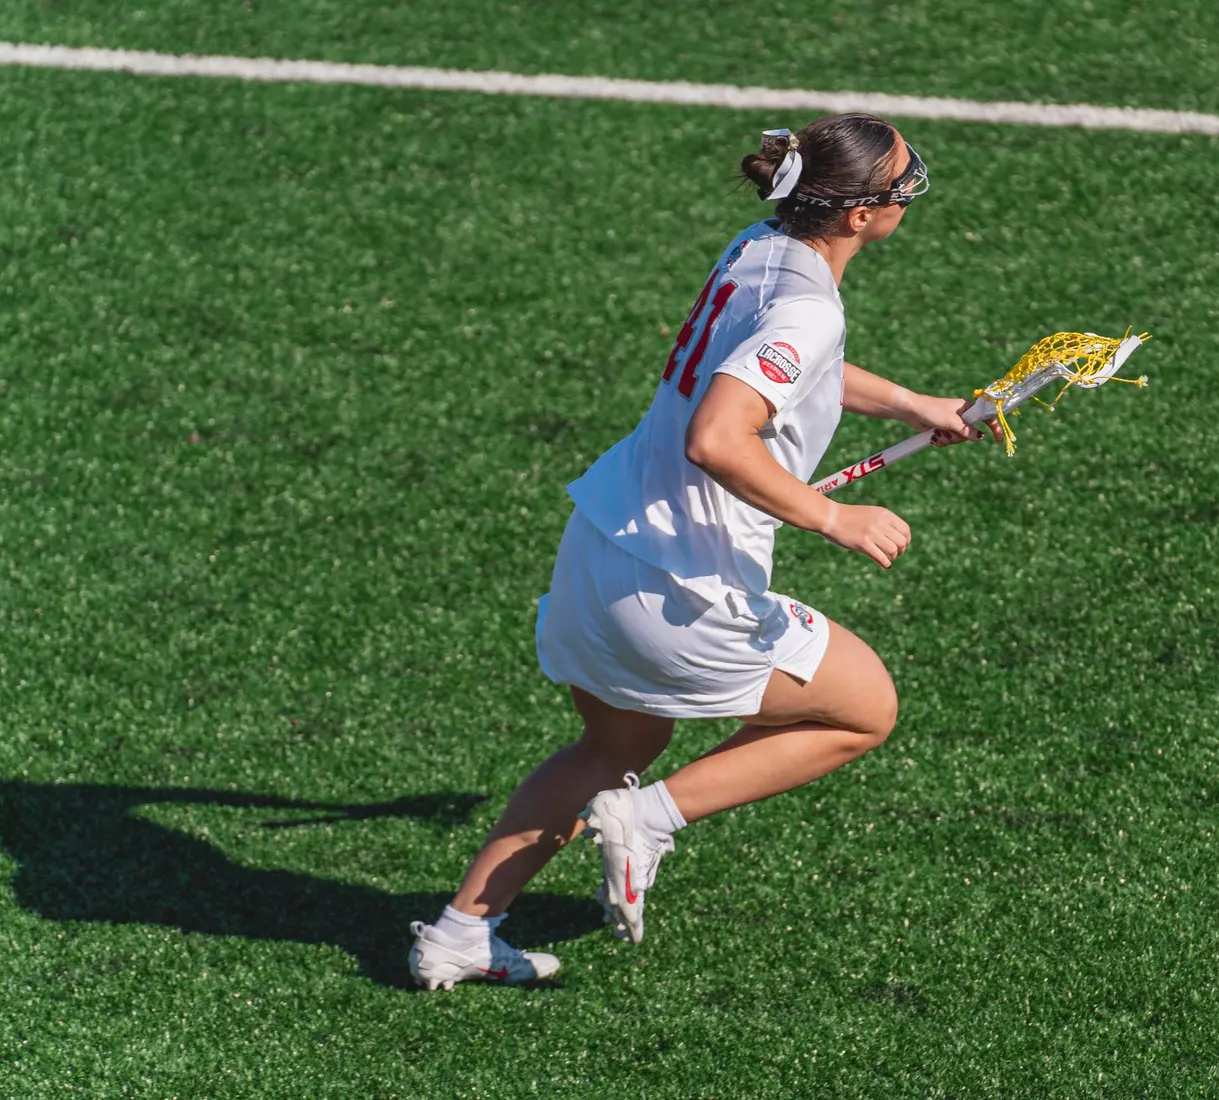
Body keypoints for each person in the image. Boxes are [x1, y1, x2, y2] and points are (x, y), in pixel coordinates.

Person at [408, 113, 999, 989]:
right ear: (861, 215)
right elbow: (720, 436)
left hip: (600, 545)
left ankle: (460, 932)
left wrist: (913, 404)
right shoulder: (810, 308)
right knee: (864, 709)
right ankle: (649, 819)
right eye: (907, 185)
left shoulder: (759, 247)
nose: (913, 195)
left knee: (610, 747)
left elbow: (775, 368)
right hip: (678, 589)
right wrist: (832, 519)